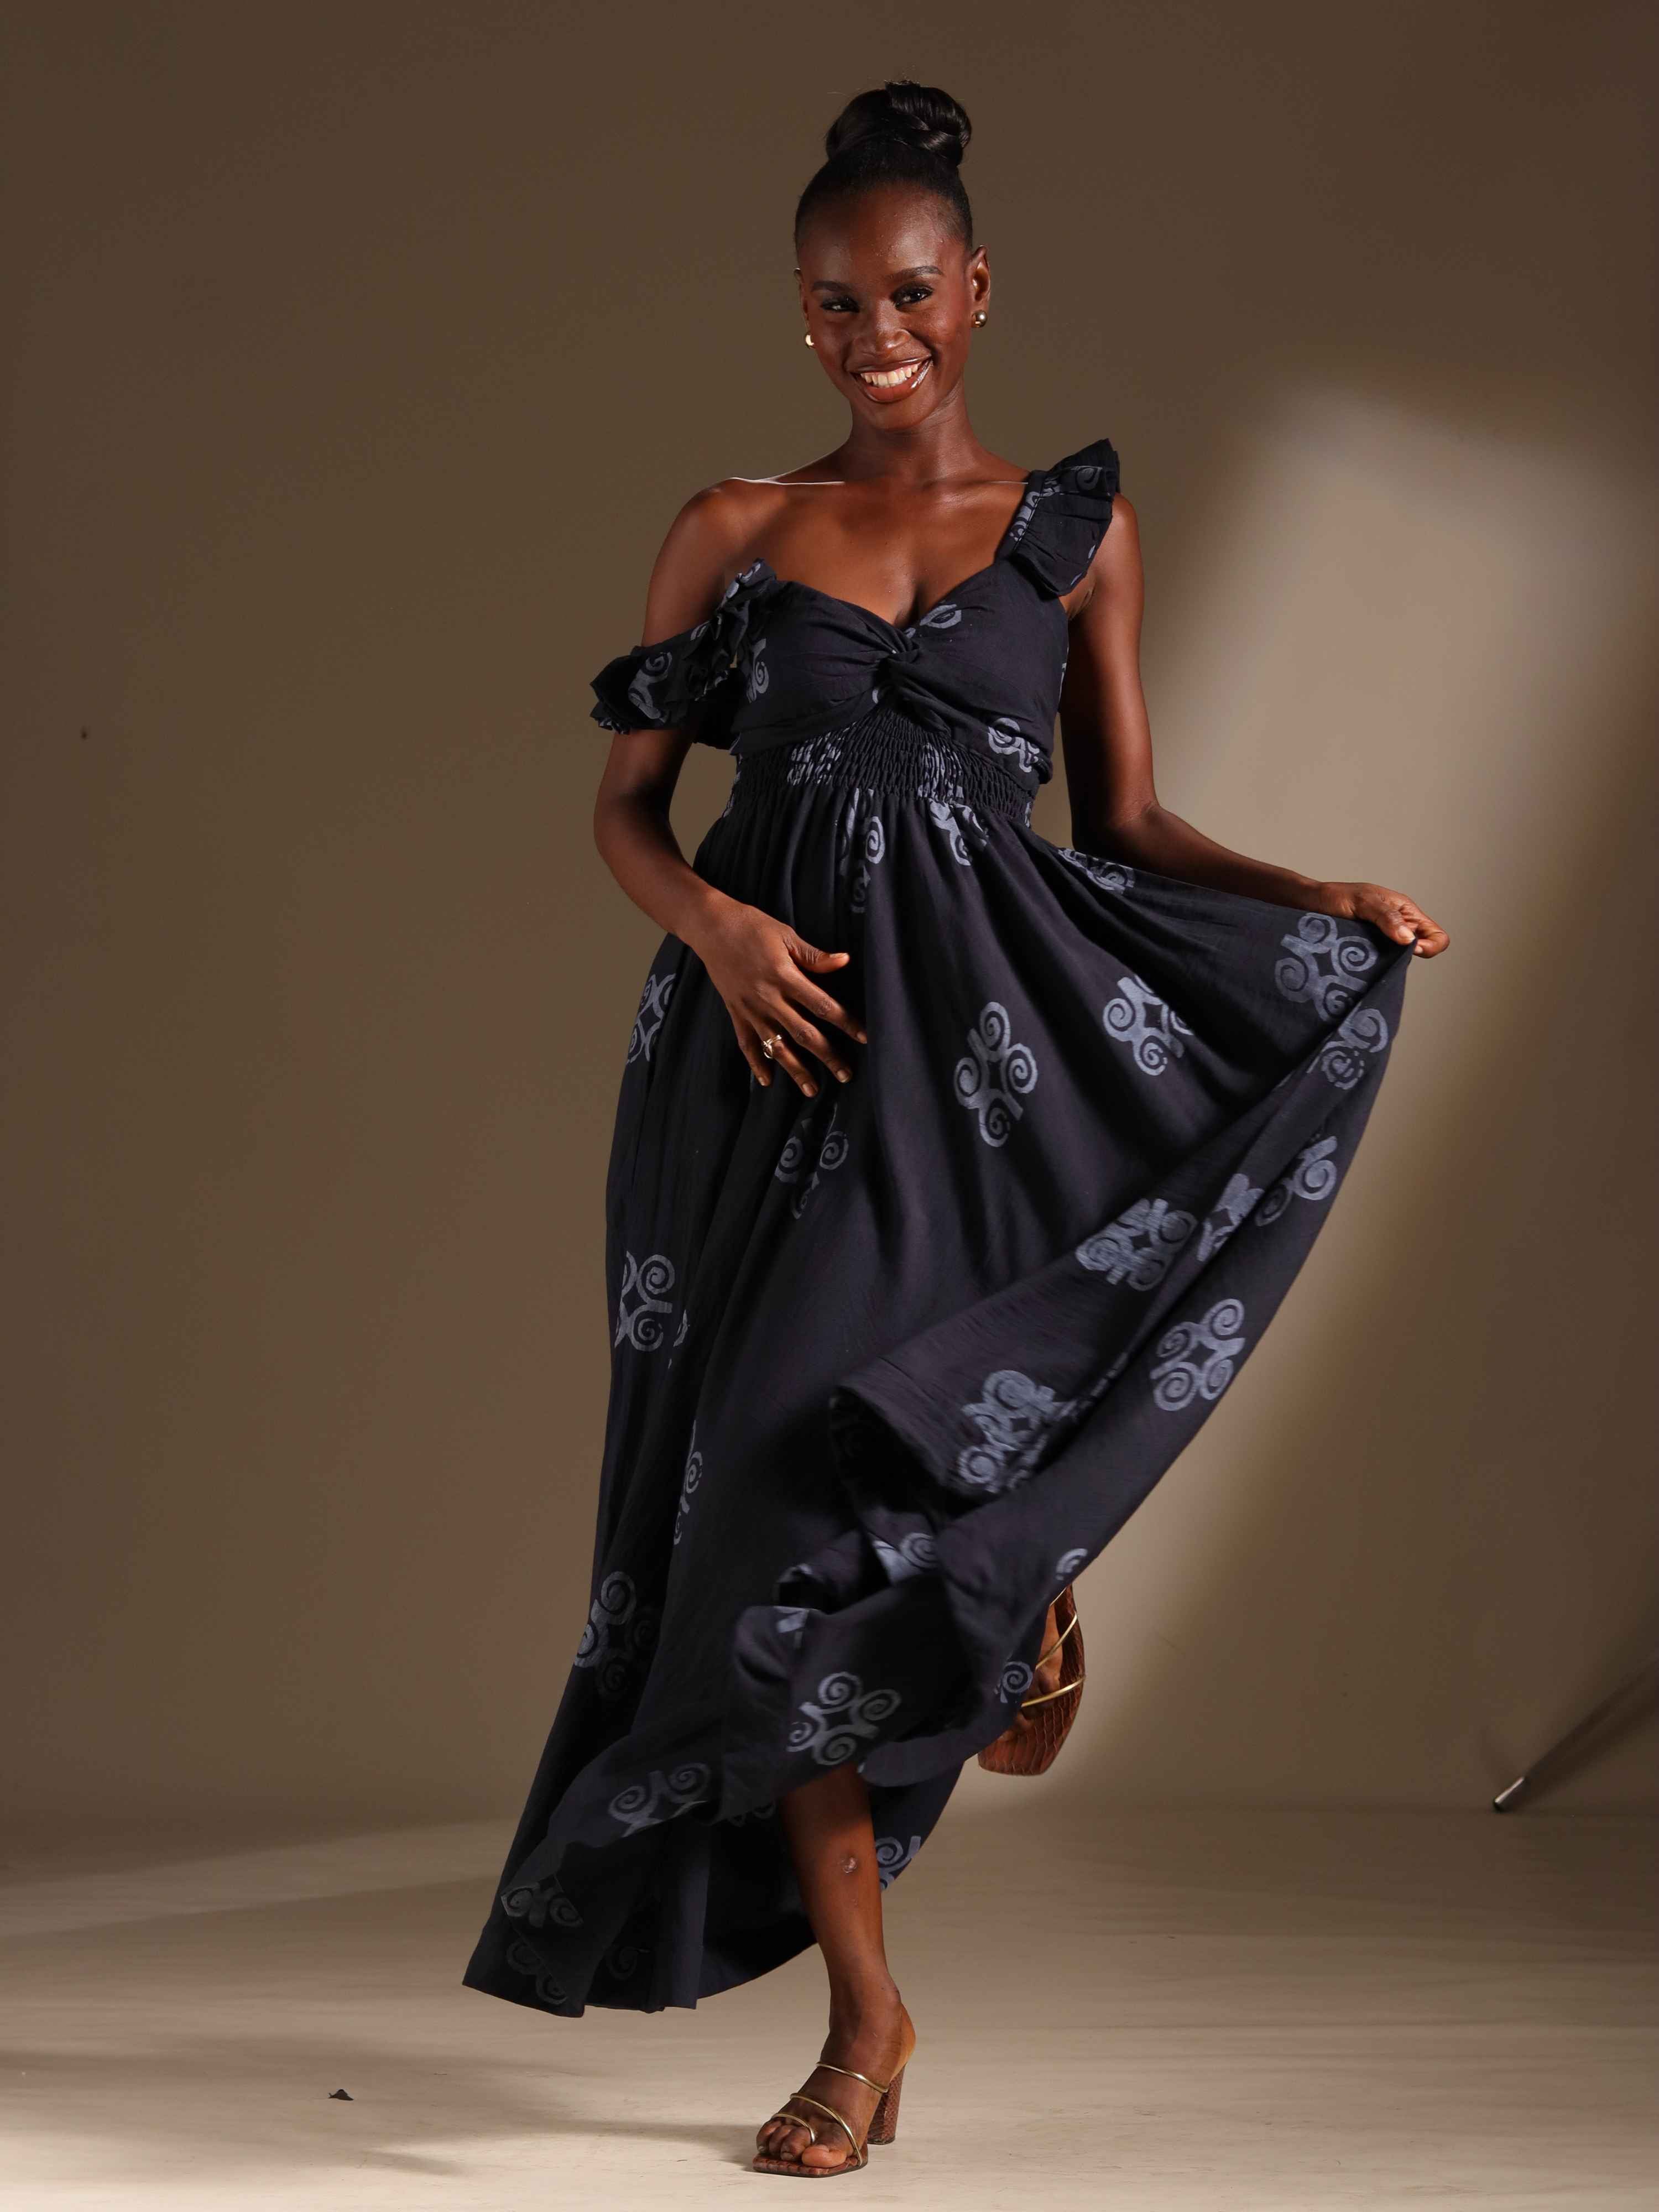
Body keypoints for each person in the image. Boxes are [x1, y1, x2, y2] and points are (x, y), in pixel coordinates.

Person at [463, 77, 1448, 2178]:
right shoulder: (733, 529)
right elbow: (627, 816)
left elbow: (1130, 823)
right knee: (749, 1519)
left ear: (978, 289)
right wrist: (721, 929)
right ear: (800, 311)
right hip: (764, 1069)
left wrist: (1315, 897)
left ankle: (999, 1576)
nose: (874, 334)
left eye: (909, 293)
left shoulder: (1074, 539)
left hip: (980, 1074)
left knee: (839, 1491)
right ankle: (873, 2019)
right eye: (836, 303)